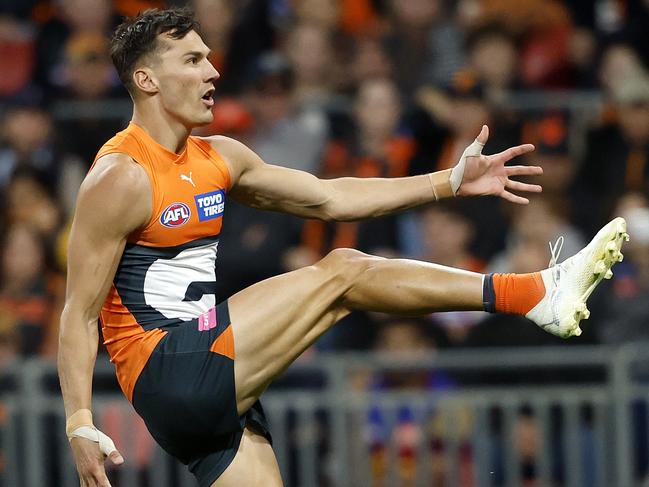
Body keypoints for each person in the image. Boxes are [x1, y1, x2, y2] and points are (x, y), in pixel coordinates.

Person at [57, 8, 629, 487]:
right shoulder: (121, 176)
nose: (212, 71)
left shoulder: (220, 156)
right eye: (192, 60)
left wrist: (448, 181)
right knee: (344, 272)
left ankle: (536, 294)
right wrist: (80, 421)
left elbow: (330, 197)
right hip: (168, 369)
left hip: (214, 384)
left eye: (209, 56)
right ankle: (534, 292)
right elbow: (78, 314)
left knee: (342, 282)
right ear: (147, 81)